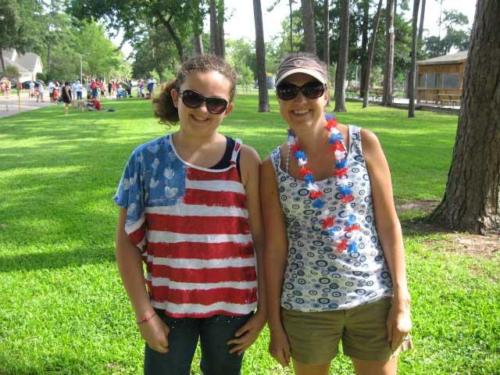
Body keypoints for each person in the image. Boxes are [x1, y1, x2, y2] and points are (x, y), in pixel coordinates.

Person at [113, 54, 266, 375]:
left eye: (216, 103)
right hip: (169, 308)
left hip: (232, 309)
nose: (202, 110)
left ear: (229, 109)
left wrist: (263, 310)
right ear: (175, 96)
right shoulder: (145, 160)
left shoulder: (245, 161)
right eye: (193, 98)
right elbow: (126, 242)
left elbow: (262, 241)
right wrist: (144, 315)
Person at [261, 52, 412, 375]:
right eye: (288, 91)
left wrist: (402, 301)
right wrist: (275, 324)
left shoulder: (363, 143)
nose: (300, 99)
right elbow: (274, 249)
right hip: (305, 305)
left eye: (311, 89)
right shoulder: (274, 166)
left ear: (326, 94)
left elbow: (388, 225)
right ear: (279, 99)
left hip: (372, 297)